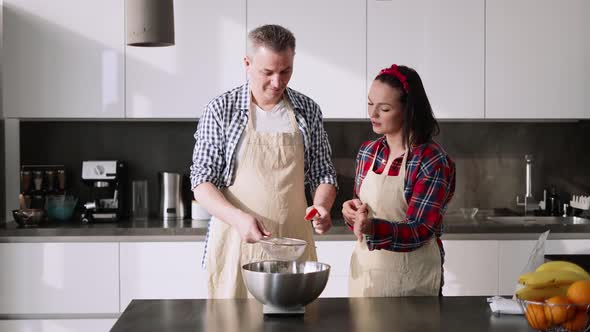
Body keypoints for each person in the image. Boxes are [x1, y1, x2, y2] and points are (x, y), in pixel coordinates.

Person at [190, 24, 338, 299]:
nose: (277, 82)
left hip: (295, 244)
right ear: (247, 63)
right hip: (237, 243)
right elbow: (201, 180)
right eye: (267, 72)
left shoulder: (307, 110)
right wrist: (238, 219)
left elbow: (323, 172)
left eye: (286, 71)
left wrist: (322, 206)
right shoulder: (222, 109)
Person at [342, 64, 456, 297]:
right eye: (370, 104)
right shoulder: (367, 152)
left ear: (408, 111)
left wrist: (372, 227)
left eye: (384, 109)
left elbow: (420, 230)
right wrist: (352, 213)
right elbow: (362, 212)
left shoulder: (430, 160)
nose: (372, 115)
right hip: (366, 279)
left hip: (412, 282)